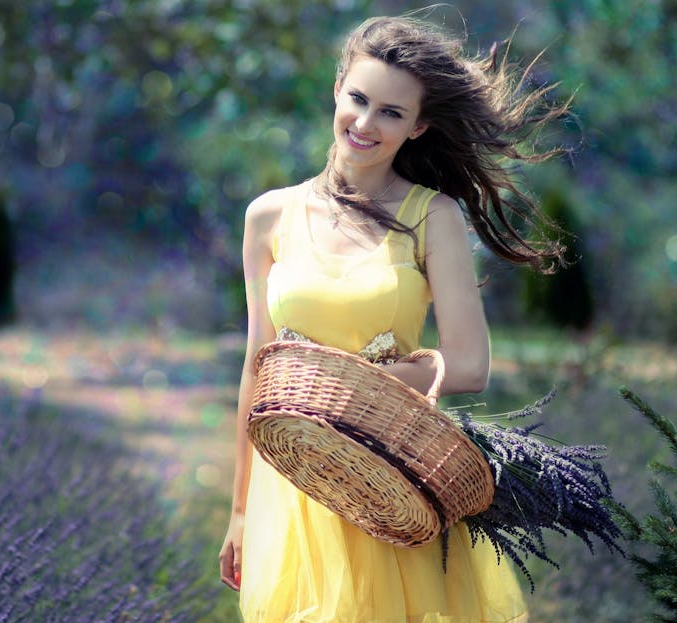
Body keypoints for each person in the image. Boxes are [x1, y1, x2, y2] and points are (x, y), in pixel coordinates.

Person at [219, 13, 569, 623]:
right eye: (358, 99)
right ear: (336, 90)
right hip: (294, 486)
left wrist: (349, 391)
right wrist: (242, 512)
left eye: (391, 112)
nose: (364, 123)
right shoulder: (268, 217)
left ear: (418, 127)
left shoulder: (432, 216)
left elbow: (469, 365)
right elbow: (257, 366)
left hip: (391, 478)